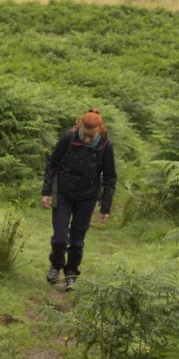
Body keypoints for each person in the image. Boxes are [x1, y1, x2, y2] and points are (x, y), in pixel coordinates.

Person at [41, 109, 116, 292]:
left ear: (99, 130)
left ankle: (72, 274)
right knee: (60, 239)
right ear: (79, 125)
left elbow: (110, 177)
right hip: (64, 193)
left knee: (77, 240)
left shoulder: (106, 146)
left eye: (92, 136)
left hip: (87, 197)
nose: (88, 140)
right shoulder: (69, 137)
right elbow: (52, 163)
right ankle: (56, 265)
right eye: (85, 135)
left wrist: (105, 207)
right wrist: (47, 191)